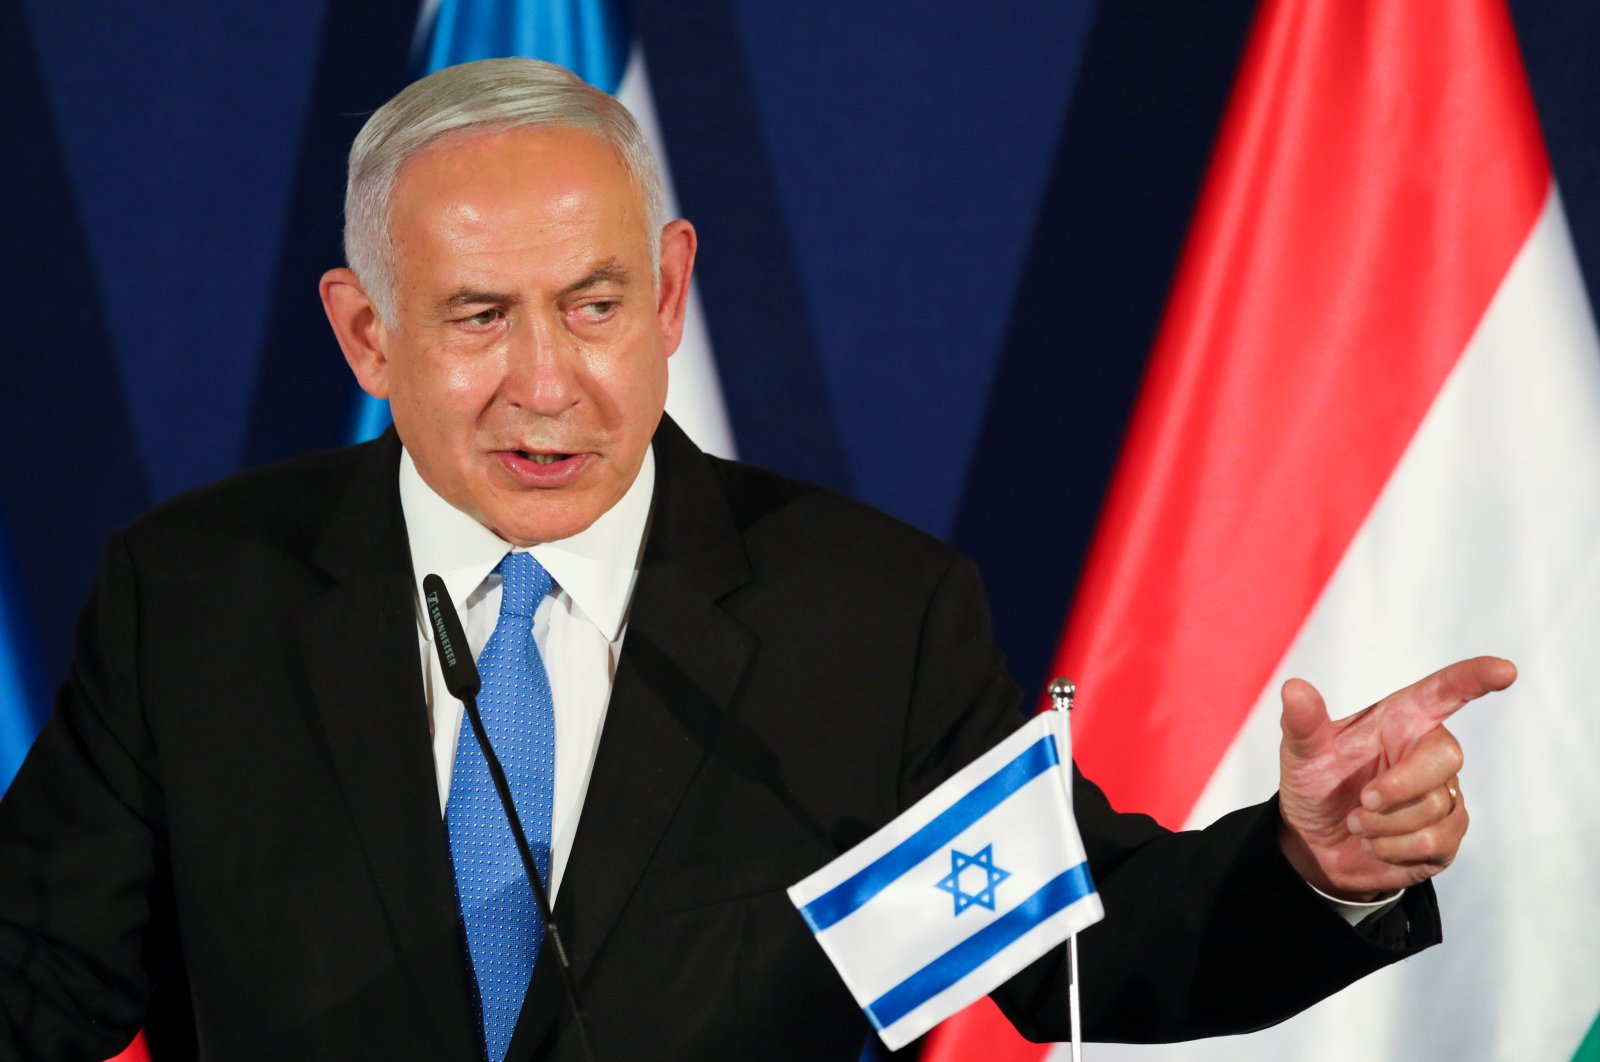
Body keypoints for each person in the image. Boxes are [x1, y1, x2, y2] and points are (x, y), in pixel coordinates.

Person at [0, 57, 1514, 1062]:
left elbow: (1077, 950)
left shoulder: (863, 617)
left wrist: (1313, 866)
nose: (547, 380)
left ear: (668, 293)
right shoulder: (196, 600)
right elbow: (40, 981)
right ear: (365, 333)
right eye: (477, 318)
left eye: (595, 304)